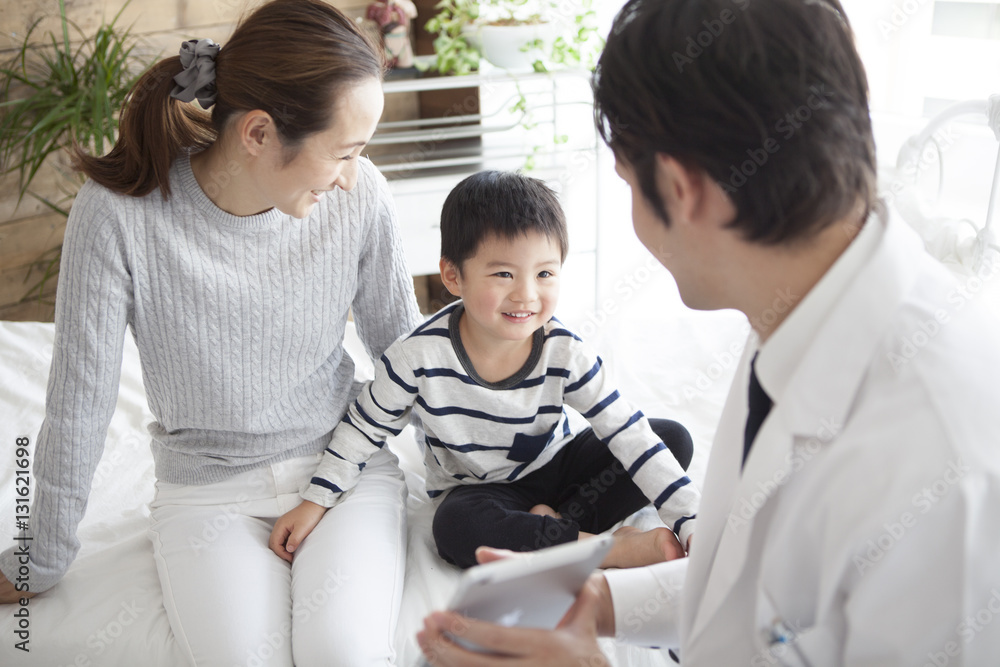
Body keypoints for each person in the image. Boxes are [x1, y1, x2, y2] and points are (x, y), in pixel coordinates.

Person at [416, 0, 1000, 664]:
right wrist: (601, 601)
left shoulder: (952, 471)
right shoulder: (794, 308)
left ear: (679, 187)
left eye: (630, 186)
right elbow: (752, 590)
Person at [0, 1, 422, 665]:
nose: (349, 176)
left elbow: (408, 357)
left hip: (344, 473)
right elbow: (81, 401)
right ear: (257, 133)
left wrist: (490, 479)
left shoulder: (363, 194)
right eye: (342, 152)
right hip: (207, 493)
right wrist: (40, 557)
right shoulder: (116, 216)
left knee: (343, 652)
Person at [269, 170, 700, 572]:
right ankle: (606, 548)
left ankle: (550, 528)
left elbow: (627, 432)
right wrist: (315, 501)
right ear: (454, 277)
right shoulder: (418, 356)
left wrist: (689, 522)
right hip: (482, 491)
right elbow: (363, 429)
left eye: (545, 273)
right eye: (504, 274)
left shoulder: (563, 352)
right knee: (456, 527)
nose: (526, 295)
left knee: (671, 438)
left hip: (559, 470)